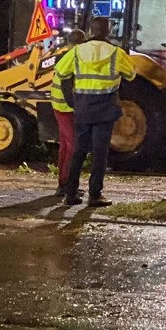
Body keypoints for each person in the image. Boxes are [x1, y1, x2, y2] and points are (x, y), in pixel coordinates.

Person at [54, 17, 136, 206]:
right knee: (100, 152)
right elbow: (131, 75)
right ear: (107, 31)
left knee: (79, 151)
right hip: (106, 108)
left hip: (83, 107)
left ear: (91, 31)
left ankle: (71, 193)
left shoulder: (77, 51)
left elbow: (60, 71)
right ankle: (94, 195)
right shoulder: (116, 53)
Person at [50, 28, 87, 197]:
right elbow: (67, 87)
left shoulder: (63, 54)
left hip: (59, 106)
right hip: (66, 108)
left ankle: (63, 183)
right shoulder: (72, 58)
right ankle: (67, 185)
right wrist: (76, 107)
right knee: (72, 147)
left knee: (65, 147)